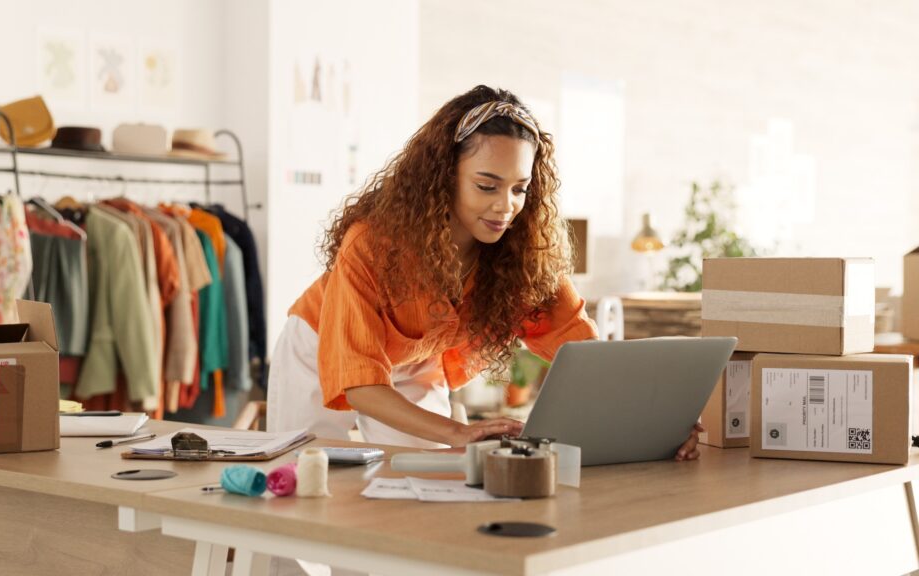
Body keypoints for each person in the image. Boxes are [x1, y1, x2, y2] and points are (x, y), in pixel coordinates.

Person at [267, 85, 702, 460]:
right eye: (486, 185)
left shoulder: (525, 256)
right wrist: (458, 431)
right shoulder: (372, 245)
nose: (505, 206)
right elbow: (360, 383)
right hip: (319, 345)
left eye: (519, 189)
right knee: (305, 477)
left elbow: (585, 353)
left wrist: (660, 418)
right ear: (443, 176)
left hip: (414, 364)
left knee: (424, 492)